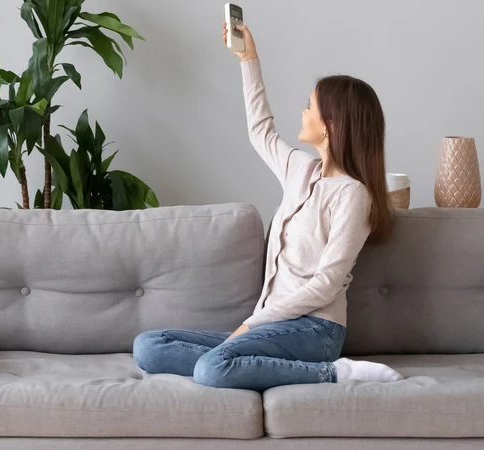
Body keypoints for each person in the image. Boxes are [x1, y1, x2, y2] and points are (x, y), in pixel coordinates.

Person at [132, 19, 402, 390]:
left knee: (212, 369)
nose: (303, 112)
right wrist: (249, 59)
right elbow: (261, 129)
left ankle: (339, 373)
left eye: (310, 107)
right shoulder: (301, 170)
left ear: (331, 126)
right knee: (148, 346)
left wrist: (251, 325)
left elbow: (325, 286)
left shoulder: (352, 194)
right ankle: (246, 362)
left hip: (314, 328)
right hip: (271, 324)